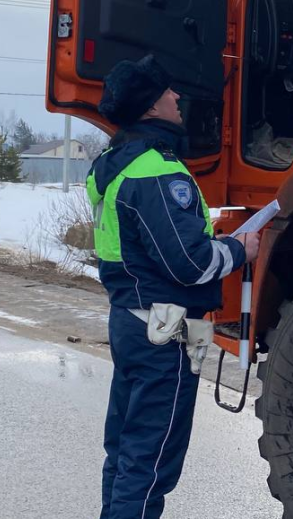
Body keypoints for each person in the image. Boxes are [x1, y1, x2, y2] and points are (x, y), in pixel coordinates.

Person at [88, 54, 261, 519]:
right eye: (167, 91)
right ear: (150, 108)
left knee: (125, 451)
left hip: (132, 320)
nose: (177, 96)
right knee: (150, 462)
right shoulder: (156, 171)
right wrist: (240, 250)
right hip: (163, 335)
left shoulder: (115, 164)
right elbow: (190, 263)